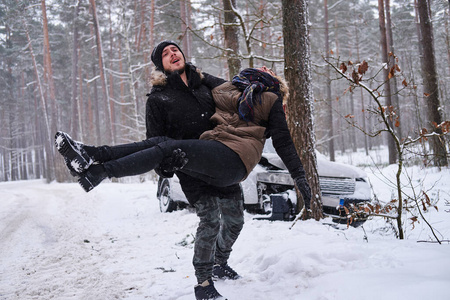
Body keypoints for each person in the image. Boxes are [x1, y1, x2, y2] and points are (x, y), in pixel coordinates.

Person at [55, 40, 311, 300]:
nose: (172, 53)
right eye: (165, 54)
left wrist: (273, 104)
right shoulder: (158, 100)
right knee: (209, 219)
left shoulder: (205, 83)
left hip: (219, 154)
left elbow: (245, 94)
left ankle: (219, 263)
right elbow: (151, 145)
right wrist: (167, 169)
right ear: (161, 66)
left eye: (174, 49)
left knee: (234, 221)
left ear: (183, 54)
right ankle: (203, 284)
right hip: (187, 166)